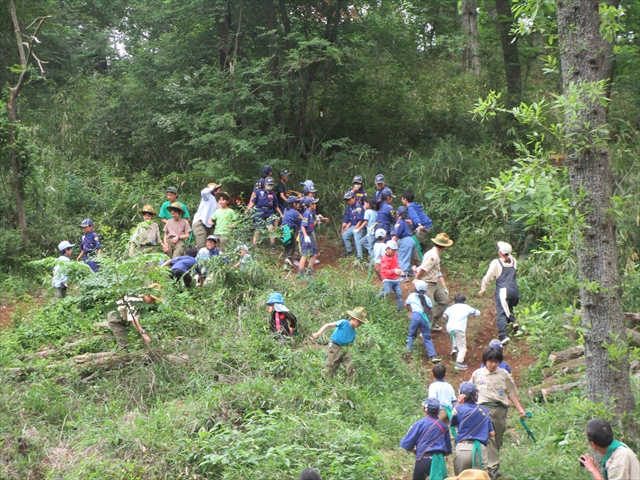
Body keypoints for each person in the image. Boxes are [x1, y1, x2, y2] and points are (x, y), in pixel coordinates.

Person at [471, 347, 527, 479]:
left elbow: (511, 393)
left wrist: (520, 409)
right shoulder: (478, 374)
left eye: (496, 362)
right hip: (483, 409)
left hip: (500, 410)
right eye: (491, 361)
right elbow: (470, 392)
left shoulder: (503, 374)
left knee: (498, 439)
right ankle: (492, 468)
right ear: (485, 361)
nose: (493, 364)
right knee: (490, 436)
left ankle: (489, 464)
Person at [400, 397, 452, 480]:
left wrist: (415, 451)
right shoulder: (444, 427)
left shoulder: (419, 424)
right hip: (438, 461)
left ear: (425, 409)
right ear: (438, 410)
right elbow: (447, 452)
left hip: (423, 459)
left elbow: (406, 444)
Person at [478, 242, 519, 346]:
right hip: (514, 290)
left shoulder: (496, 262)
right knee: (509, 308)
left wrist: (483, 287)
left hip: (503, 291)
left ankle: (503, 336)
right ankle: (513, 322)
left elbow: (489, 275)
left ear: (499, 252)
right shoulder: (514, 261)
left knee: (501, 312)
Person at [312, 307, 368, 381]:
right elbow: (328, 325)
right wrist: (319, 332)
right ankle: (326, 385)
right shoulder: (344, 323)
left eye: (362, 322)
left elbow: (350, 343)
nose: (360, 324)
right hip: (334, 347)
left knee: (351, 366)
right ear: (353, 318)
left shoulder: (354, 332)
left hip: (345, 349)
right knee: (330, 367)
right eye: (359, 321)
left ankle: (350, 386)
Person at [450, 382, 495, 475]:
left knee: (461, 477)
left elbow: (453, 423)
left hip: (464, 448)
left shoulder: (458, 409)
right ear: (476, 394)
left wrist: (458, 404)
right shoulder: (484, 411)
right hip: (480, 450)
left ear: (461, 395)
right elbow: (492, 433)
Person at [414, 233, 453, 331]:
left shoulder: (434, 253)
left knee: (444, 301)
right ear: (443, 247)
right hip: (427, 284)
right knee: (429, 308)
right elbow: (423, 269)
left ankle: (432, 322)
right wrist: (416, 279)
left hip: (434, 283)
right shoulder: (433, 256)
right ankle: (425, 330)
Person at [107, 284, 163, 350]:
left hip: (124, 317)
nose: (153, 301)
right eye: (153, 299)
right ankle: (123, 357)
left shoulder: (141, 299)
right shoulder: (135, 299)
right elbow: (133, 320)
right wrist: (144, 334)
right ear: (146, 294)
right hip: (116, 318)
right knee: (123, 345)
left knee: (138, 335)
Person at [443, 294, 481, 371]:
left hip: (450, 328)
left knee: (454, 335)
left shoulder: (451, 308)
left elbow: (444, 316)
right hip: (460, 328)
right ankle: (458, 363)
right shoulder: (466, 307)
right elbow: (477, 313)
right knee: (462, 348)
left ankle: (454, 347)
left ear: (454, 301)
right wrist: (472, 314)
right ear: (464, 301)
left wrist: (448, 320)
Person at [405, 279, 441, 362]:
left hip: (415, 316)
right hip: (425, 317)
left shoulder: (412, 296)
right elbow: (430, 311)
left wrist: (411, 310)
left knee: (411, 335)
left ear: (415, 288)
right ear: (425, 290)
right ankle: (433, 356)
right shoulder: (427, 298)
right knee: (427, 337)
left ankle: (408, 354)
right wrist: (429, 320)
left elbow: (406, 305)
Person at [246, 176, 282, 253]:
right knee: (258, 229)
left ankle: (272, 246)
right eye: (269, 184)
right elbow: (253, 202)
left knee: (271, 228)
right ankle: (254, 246)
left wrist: (281, 213)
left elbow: (276, 206)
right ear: (265, 184)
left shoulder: (273, 195)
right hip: (260, 211)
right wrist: (248, 208)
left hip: (269, 211)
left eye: (271, 184)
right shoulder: (259, 192)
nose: (270, 186)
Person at [376, 240, 404, 311]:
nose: (394, 251)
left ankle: (400, 310)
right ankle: (375, 299)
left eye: (395, 250)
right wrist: (394, 271)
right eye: (392, 249)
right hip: (387, 279)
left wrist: (400, 271)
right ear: (387, 249)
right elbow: (384, 271)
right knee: (387, 291)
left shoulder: (395, 255)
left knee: (399, 293)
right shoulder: (384, 258)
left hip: (396, 278)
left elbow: (397, 265)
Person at [192, 183, 222, 248]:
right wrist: (211, 188)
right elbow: (203, 192)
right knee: (201, 246)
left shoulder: (218, 201)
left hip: (210, 226)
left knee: (212, 246)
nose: (220, 191)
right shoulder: (207, 197)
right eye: (218, 189)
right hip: (200, 223)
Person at [297, 197, 319, 278]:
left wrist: (317, 220)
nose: (315, 205)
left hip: (309, 234)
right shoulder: (306, 213)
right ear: (311, 204)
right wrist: (306, 236)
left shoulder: (311, 213)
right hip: (305, 235)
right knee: (305, 254)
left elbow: (311, 225)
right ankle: (300, 272)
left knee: (315, 253)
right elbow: (303, 226)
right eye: (314, 203)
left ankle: (309, 270)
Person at [391, 205, 415, 281]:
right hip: (411, 240)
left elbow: (396, 235)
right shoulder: (404, 221)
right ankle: (410, 271)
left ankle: (403, 275)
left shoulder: (399, 222)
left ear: (398, 213)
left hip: (405, 241)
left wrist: (390, 244)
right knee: (407, 257)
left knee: (402, 259)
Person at [341, 191, 365, 259]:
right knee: (345, 235)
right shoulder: (350, 207)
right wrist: (347, 228)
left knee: (357, 239)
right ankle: (349, 251)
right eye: (347, 200)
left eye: (349, 199)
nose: (348, 201)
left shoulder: (358, 206)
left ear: (354, 198)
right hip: (353, 225)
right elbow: (351, 220)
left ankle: (360, 256)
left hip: (359, 226)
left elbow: (360, 219)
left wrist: (357, 228)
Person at [282, 196, 301, 266]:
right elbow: (298, 222)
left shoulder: (285, 210)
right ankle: (288, 259)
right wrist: (301, 219)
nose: (298, 205)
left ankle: (285, 264)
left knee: (286, 247)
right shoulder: (294, 212)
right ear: (293, 204)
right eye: (297, 203)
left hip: (283, 229)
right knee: (292, 246)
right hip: (289, 229)